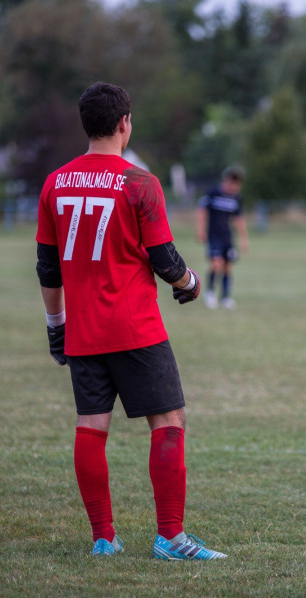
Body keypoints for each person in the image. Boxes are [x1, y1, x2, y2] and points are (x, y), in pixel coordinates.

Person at [35, 82, 226, 561]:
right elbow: (164, 257)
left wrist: (56, 327)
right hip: (136, 328)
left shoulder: (55, 184)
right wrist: (189, 283)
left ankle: (104, 539)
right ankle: (171, 538)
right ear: (124, 124)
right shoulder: (140, 182)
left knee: (91, 426)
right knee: (169, 421)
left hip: (82, 331)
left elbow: (48, 268)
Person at [196, 166, 249, 309]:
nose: (235, 187)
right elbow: (202, 211)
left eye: (238, 185)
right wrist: (200, 230)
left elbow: (239, 220)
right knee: (216, 264)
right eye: (233, 184)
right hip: (214, 236)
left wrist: (244, 239)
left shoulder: (236, 198)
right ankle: (210, 293)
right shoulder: (213, 193)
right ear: (226, 181)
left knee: (227, 267)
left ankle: (225, 297)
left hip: (227, 237)